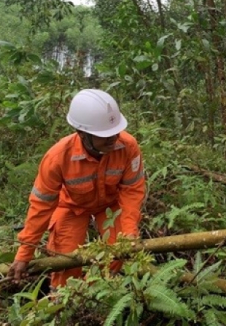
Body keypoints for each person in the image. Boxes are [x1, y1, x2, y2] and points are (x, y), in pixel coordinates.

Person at [8, 89, 146, 288]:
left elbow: (132, 191)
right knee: (66, 258)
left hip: (110, 206)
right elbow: (41, 206)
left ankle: (104, 290)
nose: (112, 139)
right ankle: (63, 303)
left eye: (115, 132)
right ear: (82, 133)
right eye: (104, 135)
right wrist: (24, 253)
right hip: (71, 207)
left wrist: (130, 233)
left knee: (121, 249)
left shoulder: (128, 146)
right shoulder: (57, 157)